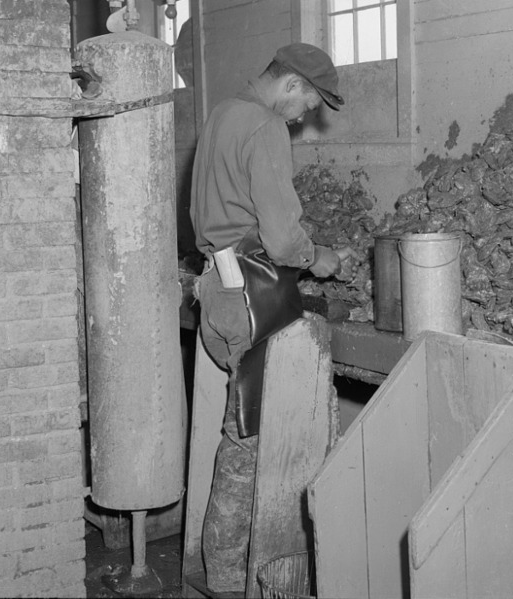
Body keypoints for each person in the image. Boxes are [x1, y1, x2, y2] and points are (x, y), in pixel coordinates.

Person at [189, 43, 356, 593]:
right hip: (248, 298)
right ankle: (231, 583)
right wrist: (318, 256)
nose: (306, 114)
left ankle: (224, 575)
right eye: (308, 101)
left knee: (242, 435)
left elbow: (226, 211)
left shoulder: (221, 113)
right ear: (290, 84)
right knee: (252, 446)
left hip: (214, 286)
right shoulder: (264, 127)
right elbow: (284, 240)